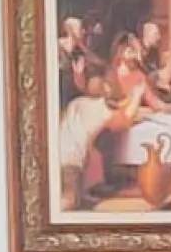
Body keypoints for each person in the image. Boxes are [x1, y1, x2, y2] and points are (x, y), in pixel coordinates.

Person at [57, 70, 142, 209]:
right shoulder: (101, 110)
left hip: (62, 155)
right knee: (69, 200)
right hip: (70, 161)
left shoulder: (78, 103)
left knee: (76, 197)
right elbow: (125, 120)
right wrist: (137, 95)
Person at [57, 17, 90, 108]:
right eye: (81, 28)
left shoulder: (80, 50)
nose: (84, 31)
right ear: (72, 30)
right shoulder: (59, 45)